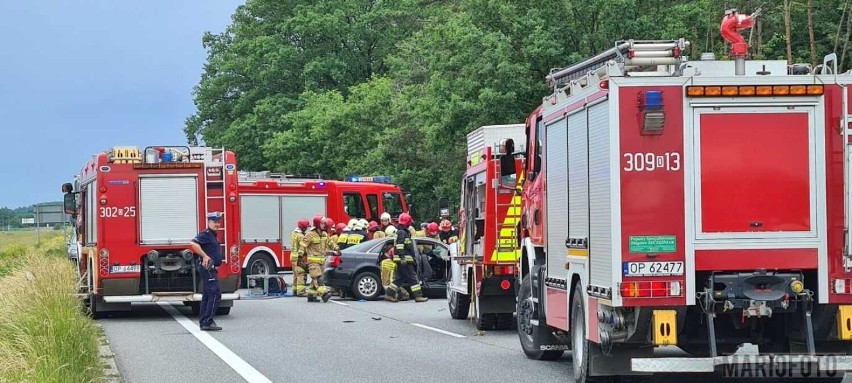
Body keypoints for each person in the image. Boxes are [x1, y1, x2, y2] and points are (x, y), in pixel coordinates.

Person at [189, 212, 224, 331]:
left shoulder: (213, 235)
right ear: (209, 222)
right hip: (208, 268)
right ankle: (207, 321)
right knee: (215, 294)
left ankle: (204, 321)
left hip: (211, 269)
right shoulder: (206, 234)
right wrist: (204, 256)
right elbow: (193, 243)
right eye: (215, 222)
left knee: (207, 295)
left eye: (218, 222)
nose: (217, 224)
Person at [385, 213, 428, 303]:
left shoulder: (401, 232)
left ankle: (389, 294)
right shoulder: (402, 232)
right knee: (412, 278)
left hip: (402, 260)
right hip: (404, 260)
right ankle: (418, 296)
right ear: (407, 223)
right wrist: (402, 258)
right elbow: (400, 246)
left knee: (399, 279)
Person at [300, 215, 331, 302]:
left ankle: (311, 296)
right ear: (318, 224)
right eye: (323, 223)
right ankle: (324, 294)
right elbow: (303, 245)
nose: (325, 225)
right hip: (313, 262)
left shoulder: (324, 234)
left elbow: (330, 242)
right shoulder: (310, 235)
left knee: (315, 279)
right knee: (318, 278)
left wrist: (337, 249)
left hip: (321, 262)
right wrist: (300, 257)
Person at [379, 226, 409, 301]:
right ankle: (397, 295)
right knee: (394, 280)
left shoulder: (387, 244)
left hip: (386, 263)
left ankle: (395, 295)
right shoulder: (395, 244)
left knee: (388, 282)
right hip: (393, 264)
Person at [289, 218, 310, 297]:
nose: (307, 229)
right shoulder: (301, 236)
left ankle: (295, 290)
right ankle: (301, 292)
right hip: (298, 257)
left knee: (295, 274)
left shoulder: (294, 233)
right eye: (306, 227)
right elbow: (303, 247)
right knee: (301, 273)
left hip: (293, 256)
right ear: (303, 227)